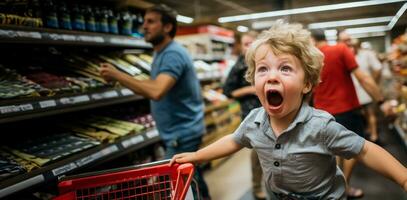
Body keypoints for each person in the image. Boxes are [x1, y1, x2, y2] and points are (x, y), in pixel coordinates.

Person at [169, 21, 407, 199]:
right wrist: (197, 156)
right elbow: (234, 140)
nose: (272, 76)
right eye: (263, 69)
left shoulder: (320, 126)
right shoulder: (254, 121)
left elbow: (364, 150)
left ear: (306, 84)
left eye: (285, 69)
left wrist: (403, 177)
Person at [99, 4, 210, 199]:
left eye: (151, 22)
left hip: (182, 133)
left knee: (183, 186)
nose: (144, 27)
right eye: (144, 22)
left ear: (167, 27)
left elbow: (157, 90)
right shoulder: (161, 52)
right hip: (180, 130)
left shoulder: (172, 53)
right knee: (193, 179)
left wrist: (118, 75)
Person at [313, 29, 389, 198]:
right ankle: (344, 187)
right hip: (347, 110)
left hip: (321, 113)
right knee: (352, 151)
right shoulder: (340, 49)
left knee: (329, 153)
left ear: (313, 39)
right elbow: (364, 78)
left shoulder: (311, 57)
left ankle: (330, 190)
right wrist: (381, 101)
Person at [222, 31, 265, 200]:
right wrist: (250, 89)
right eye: (246, 44)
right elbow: (228, 91)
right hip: (252, 114)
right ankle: (257, 188)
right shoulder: (239, 65)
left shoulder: (264, 60)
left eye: (252, 43)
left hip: (271, 111)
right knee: (259, 152)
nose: (249, 47)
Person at [350, 39, 383, 143]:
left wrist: (372, 81)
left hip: (365, 89)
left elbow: (378, 69)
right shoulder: (351, 56)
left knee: (370, 113)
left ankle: (374, 135)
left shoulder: (366, 54)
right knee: (364, 114)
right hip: (355, 91)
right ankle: (369, 132)